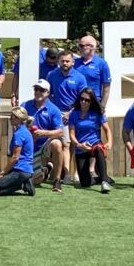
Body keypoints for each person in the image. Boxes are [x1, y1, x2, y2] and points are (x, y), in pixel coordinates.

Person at [46, 50, 87, 183]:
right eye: (62, 61)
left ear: (73, 62)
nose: (65, 63)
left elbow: (84, 98)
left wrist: (71, 112)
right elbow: (48, 95)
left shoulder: (80, 77)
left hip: (76, 113)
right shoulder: (52, 75)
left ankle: (77, 173)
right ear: (58, 61)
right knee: (66, 144)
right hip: (59, 114)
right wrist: (58, 112)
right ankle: (67, 174)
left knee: (76, 144)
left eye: (67, 61)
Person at [69, 87, 115, 193]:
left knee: (99, 148)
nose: (84, 102)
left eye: (87, 100)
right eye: (82, 99)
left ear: (91, 101)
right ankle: (102, 178)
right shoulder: (74, 114)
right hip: (81, 147)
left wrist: (109, 142)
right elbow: (72, 134)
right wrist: (79, 145)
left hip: (94, 143)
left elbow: (107, 129)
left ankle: (104, 182)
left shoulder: (97, 113)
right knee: (85, 183)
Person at [22, 79, 65, 192]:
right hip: (29, 146)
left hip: (45, 144)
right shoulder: (25, 106)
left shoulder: (54, 109)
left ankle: (57, 180)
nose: (38, 92)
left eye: (42, 90)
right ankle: (47, 169)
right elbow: (16, 125)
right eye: (36, 89)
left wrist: (43, 133)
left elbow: (60, 132)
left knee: (57, 143)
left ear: (47, 93)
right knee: (35, 181)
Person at [0, 106, 37, 196]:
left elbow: (15, 157)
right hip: (25, 170)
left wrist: (2, 173)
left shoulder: (19, 134)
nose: (10, 119)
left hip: (20, 170)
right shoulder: (25, 131)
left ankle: (22, 184)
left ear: (18, 119)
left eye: (12, 117)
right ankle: (23, 184)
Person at [74, 35, 112, 109]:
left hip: (93, 104)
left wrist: (102, 107)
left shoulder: (101, 64)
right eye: (79, 46)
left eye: (82, 46)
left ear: (91, 47)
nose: (79, 48)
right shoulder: (74, 63)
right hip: (76, 104)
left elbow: (106, 88)